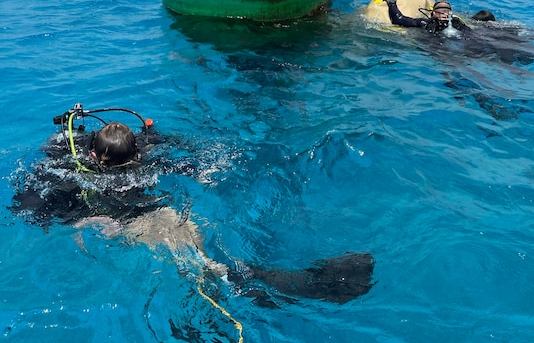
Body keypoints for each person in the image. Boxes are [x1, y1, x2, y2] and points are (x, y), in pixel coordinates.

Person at [11, 104, 374, 306]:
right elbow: (191, 162)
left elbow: (33, 207)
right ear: (136, 151)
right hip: (162, 212)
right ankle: (268, 286)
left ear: (92, 153)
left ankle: (230, 300)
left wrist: (80, 222)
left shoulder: (74, 165)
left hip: (121, 222)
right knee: (207, 260)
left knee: (193, 268)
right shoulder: (149, 158)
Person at [384, 0, 469, 33]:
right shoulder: (457, 23)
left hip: (431, 46)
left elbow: (398, 19)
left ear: (434, 13)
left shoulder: (425, 23)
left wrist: (392, 3)